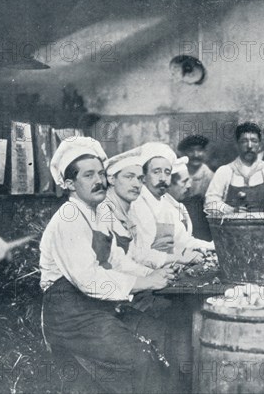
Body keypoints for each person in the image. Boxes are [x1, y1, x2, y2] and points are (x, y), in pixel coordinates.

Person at [39, 137, 175, 394]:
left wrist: (155, 273)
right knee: (141, 359)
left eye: (101, 173)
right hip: (70, 316)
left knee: (159, 331)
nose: (99, 181)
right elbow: (89, 280)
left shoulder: (97, 213)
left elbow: (116, 260)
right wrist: (146, 282)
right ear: (69, 184)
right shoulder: (68, 220)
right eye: (88, 175)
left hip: (94, 306)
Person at [130, 142, 203, 268]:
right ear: (144, 176)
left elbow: (183, 241)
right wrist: (180, 259)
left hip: (169, 270)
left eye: (167, 172)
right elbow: (139, 256)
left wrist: (214, 246)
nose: (163, 178)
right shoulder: (136, 205)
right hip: (147, 274)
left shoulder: (167, 205)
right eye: (156, 172)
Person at [205, 122, 264, 214]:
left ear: (259, 146)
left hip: (262, 227)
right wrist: (231, 210)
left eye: (254, 141)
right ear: (237, 145)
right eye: (244, 141)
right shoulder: (224, 172)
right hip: (231, 227)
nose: (249, 146)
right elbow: (209, 203)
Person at [163, 156, 214, 250]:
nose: (189, 186)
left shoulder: (178, 205)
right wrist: (212, 246)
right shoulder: (163, 209)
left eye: (189, 180)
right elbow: (181, 243)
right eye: (184, 182)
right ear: (168, 185)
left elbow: (186, 239)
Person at [178, 134, 214, 240]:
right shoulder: (179, 173)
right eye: (191, 151)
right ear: (184, 153)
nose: (196, 155)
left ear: (205, 152)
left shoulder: (210, 176)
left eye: (199, 150)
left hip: (201, 226)